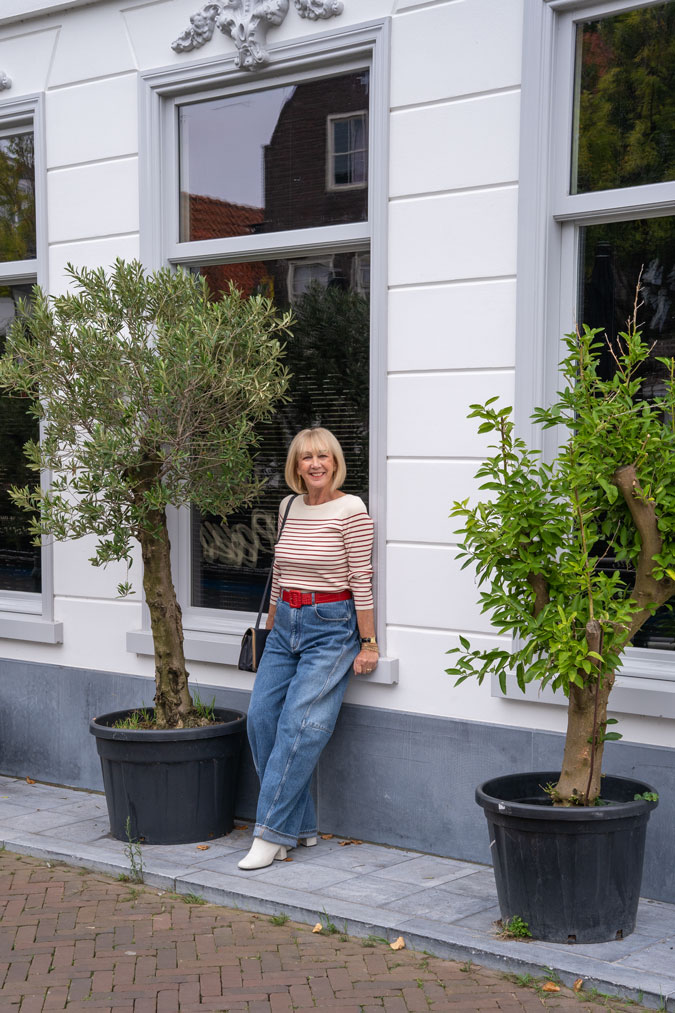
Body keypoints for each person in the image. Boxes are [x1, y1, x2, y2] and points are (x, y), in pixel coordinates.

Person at [238, 427, 378, 870]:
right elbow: (279, 574)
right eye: (305, 457)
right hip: (285, 627)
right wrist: (273, 625)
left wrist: (369, 643)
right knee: (261, 718)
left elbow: (361, 580)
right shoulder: (288, 507)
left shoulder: (351, 509)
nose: (315, 464)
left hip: (331, 627)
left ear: (335, 461)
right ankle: (298, 825)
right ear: (295, 466)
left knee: (300, 725)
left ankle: (270, 834)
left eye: (323, 456)